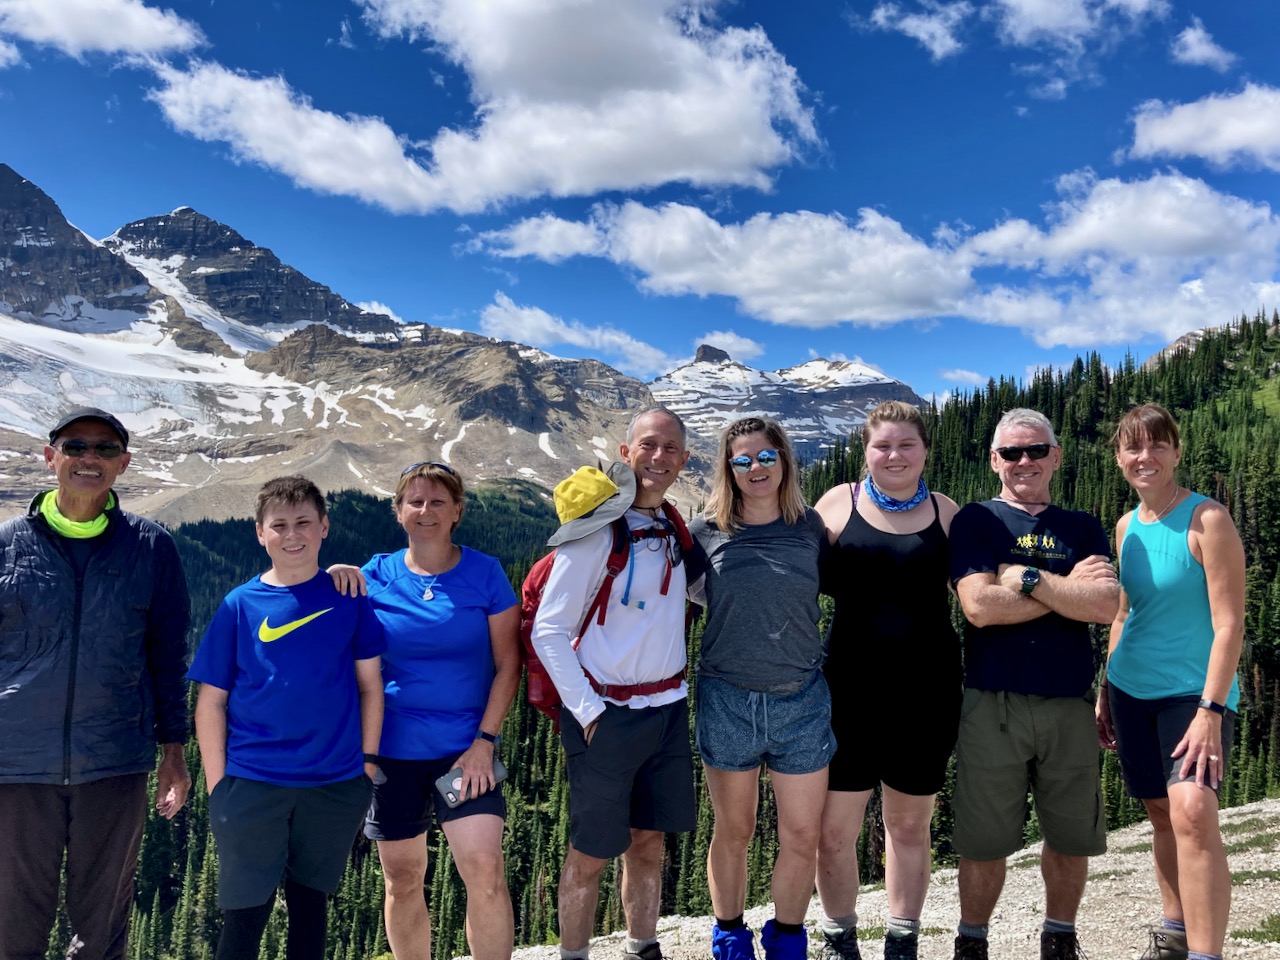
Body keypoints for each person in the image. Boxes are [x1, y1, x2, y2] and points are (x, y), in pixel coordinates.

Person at [0, 406, 191, 960]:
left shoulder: (152, 548)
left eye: (105, 448)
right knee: (11, 923)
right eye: (75, 446)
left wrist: (174, 752)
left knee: (102, 926)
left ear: (123, 463)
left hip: (114, 761)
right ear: (50, 457)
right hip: (16, 763)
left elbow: (168, 657)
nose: (90, 458)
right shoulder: (7, 545)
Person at [189, 476, 385, 960]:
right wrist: (218, 786)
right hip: (252, 783)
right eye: (279, 525)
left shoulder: (350, 599)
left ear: (324, 527)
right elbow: (210, 701)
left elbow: (370, 686)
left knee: (310, 910)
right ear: (260, 533)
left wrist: (366, 765)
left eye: (303, 523)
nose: (292, 535)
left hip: (334, 783)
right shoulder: (239, 604)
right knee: (244, 917)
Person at [949, 408, 1119, 960]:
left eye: (1037, 450)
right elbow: (979, 607)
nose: (1025, 461)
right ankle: (972, 942)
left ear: (1056, 457)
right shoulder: (977, 520)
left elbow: (1104, 606)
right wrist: (1066, 590)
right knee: (983, 839)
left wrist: (1023, 578)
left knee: (1071, 835)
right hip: (991, 700)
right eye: (1012, 452)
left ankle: (1060, 939)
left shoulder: (1083, 526)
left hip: (1070, 702)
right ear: (994, 460)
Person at [531, 406, 697, 960]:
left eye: (670, 448)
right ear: (625, 453)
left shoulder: (672, 525)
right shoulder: (595, 532)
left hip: (667, 709)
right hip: (606, 714)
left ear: (684, 460)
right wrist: (587, 710)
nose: (658, 457)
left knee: (648, 841)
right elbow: (549, 631)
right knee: (590, 853)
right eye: (648, 445)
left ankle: (641, 947)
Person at [814, 401, 962, 960]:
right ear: (866, 451)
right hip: (845, 693)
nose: (894, 455)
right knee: (834, 830)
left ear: (925, 450)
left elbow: (979, 592)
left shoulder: (947, 513)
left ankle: (903, 940)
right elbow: (791, 577)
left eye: (906, 445)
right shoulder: (838, 503)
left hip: (927, 694)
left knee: (908, 826)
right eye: (883, 445)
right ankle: (839, 937)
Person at [1095, 404, 1244, 960]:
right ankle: (1175, 933)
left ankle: (1206, 953)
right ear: (1118, 458)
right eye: (1133, 447)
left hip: (1194, 694)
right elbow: (1124, 613)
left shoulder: (1208, 520)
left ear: (1176, 452)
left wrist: (1210, 710)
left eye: (1157, 445)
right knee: (1160, 813)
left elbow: (1230, 624)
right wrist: (1106, 687)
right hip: (1131, 690)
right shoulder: (1127, 526)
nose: (1145, 456)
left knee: (1194, 814)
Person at [359, 461, 520, 960]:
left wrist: (484, 742)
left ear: (456, 511)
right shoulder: (373, 576)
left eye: (437, 501)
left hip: (465, 753)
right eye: (415, 501)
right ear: (399, 511)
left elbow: (509, 664)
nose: (425, 510)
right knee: (402, 878)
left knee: (485, 870)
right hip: (392, 753)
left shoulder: (485, 573)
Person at [688, 416, 832, 960]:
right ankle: (729, 935)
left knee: (803, 834)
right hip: (728, 697)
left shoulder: (810, 527)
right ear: (729, 469)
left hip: (802, 699)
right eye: (742, 460)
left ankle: (788, 939)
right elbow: (675, 596)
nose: (755, 468)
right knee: (734, 829)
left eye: (766, 456)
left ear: (784, 461)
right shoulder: (705, 531)